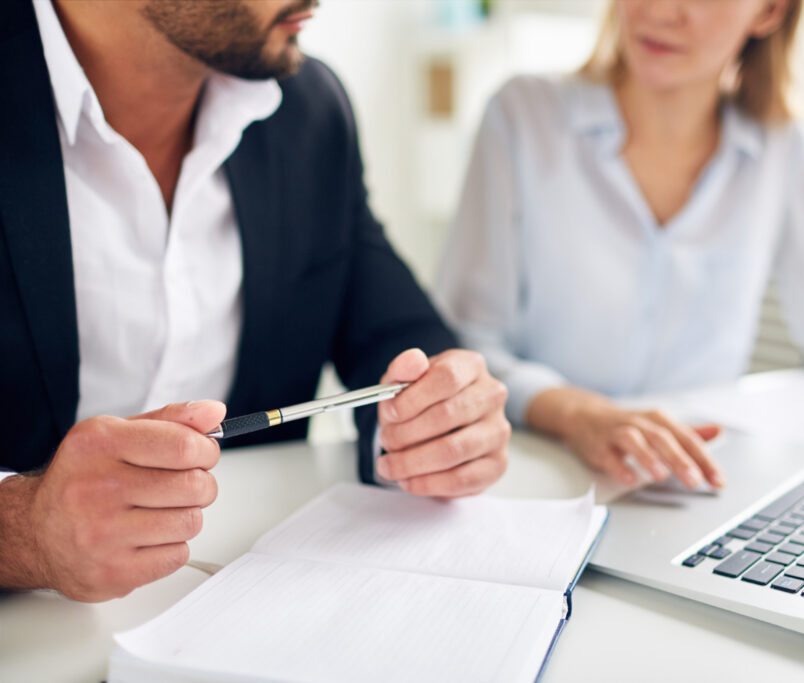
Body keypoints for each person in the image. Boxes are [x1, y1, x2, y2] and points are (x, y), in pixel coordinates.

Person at [0, 0, 511, 602]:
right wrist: (24, 534)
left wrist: (437, 426)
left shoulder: (307, 108)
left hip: (258, 616)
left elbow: (398, 336)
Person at [436, 0, 804, 490]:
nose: (661, 11)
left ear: (770, 11)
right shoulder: (523, 116)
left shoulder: (781, 147)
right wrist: (581, 415)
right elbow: (469, 337)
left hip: (694, 478)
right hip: (539, 469)